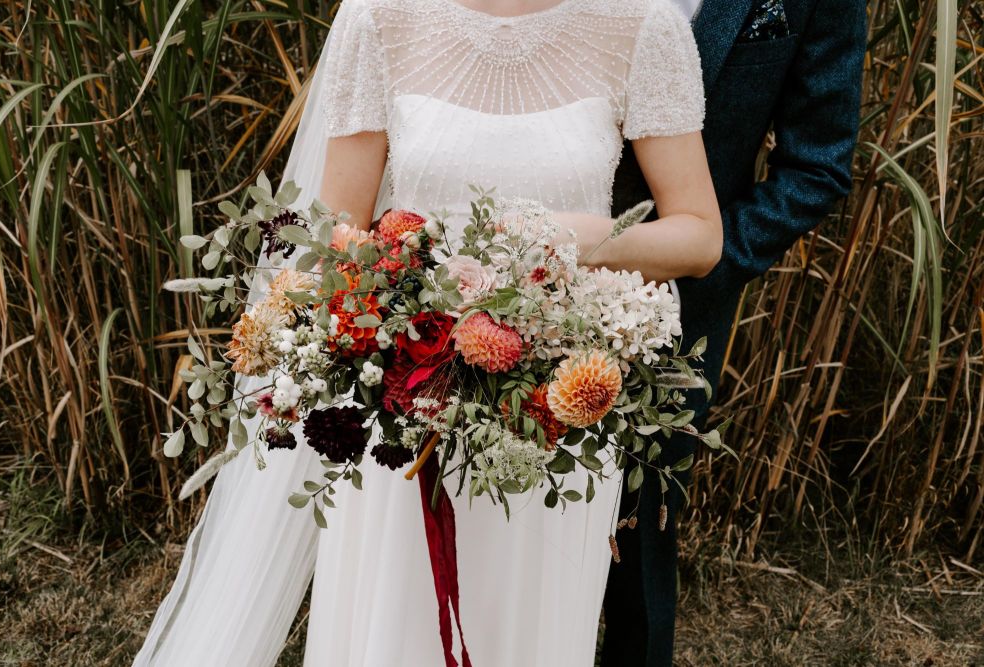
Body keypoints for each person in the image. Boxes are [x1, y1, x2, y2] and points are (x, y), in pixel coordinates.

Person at [133, 0, 721, 665]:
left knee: (528, 631)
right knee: (393, 632)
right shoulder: (378, 17)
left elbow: (700, 234)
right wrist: (398, 318)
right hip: (407, 409)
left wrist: (595, 240)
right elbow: (341, 236)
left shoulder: (641, 23)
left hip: (553, 414)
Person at [602, 0, 866, 665]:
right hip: (526, 273)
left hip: (673, 313)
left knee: (637, 541)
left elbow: (818, 166)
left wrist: (701, 269)